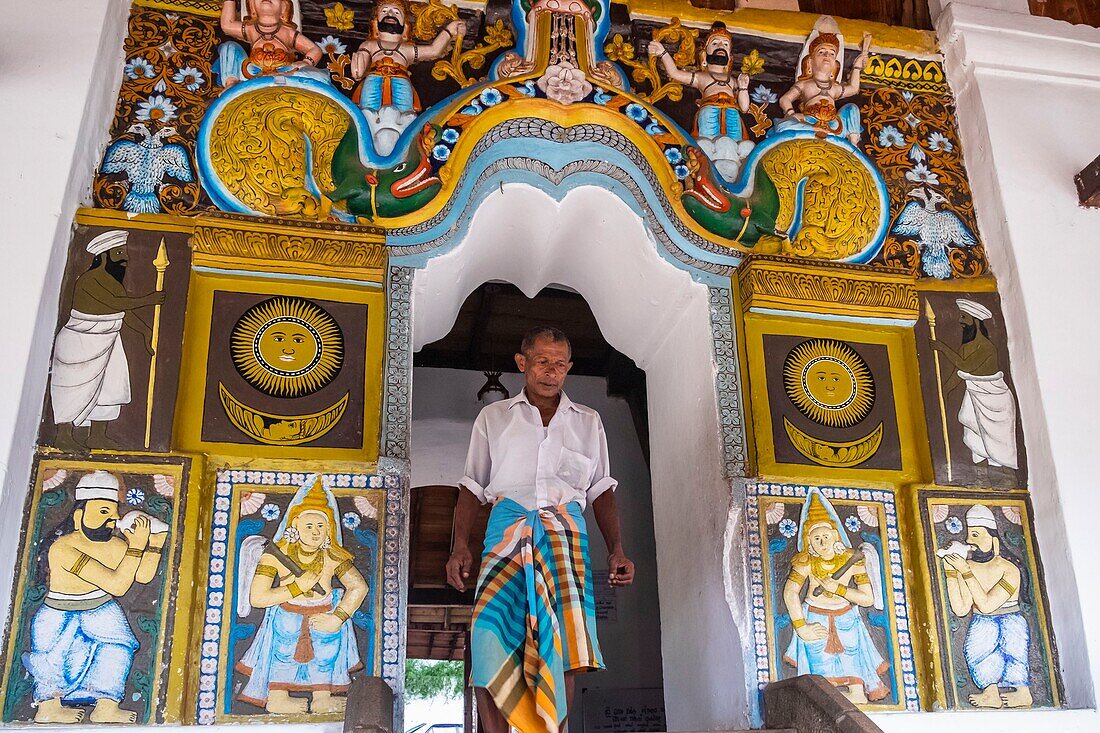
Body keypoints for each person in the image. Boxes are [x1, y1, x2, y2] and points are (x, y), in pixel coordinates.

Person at [446, 326, 635, 733]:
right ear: (522, 363)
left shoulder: (588, 421)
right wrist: (460, 545)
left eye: (560, 364)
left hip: (565, 535)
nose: (551, 371)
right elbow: (472, 486)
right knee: (487, 636)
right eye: (542, 362)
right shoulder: (494, 417)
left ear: (569, 367)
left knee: (562, 642)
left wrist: (617, 548)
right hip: (505, 530)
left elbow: (601, 489)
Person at [22, 471, 166, 723]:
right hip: (60, 614)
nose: (112, 518)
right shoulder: (64, 548)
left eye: (113, 512)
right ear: (79, 516)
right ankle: (48, 707)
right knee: (52, 660)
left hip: (102, 609)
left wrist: (154, 543)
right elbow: (117, 585)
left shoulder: (114, 545)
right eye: (103, 511)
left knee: (117, 650)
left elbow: (142, 575)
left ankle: (106, 705)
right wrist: (135, 546)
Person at [236, 476, 368, 714]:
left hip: (324, 613)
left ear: (330, 529)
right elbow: (257, 598)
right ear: (294, 525)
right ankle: (277, 697)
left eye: (321, 526)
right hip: (288, 616)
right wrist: (296, 588)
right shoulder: (275, 556)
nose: (315, 532)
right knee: (283, 655)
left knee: (326, 656)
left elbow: (359, 587)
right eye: (309, 525)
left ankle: (322, 698)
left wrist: (337, 617)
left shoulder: (333, 556)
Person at [49, 230, 164, 451]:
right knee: (74, 391)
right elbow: (114, 303)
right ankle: (63, 436)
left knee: (111, 389)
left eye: (125, 253)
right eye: (119, 253)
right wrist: (150, 299)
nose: (125, 258)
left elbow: (122, 313)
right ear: (103, 256)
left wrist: (145, 332)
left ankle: (97, 436)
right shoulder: (88, 280)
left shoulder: (113, 282)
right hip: (81, 342)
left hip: (109, 338)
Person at [782, 488, 888, 704]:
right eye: (816, 538)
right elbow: (790, 591)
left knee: (856, 690)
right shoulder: (806, 562)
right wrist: (801, 626)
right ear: (808, 541)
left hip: (847, 620)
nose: (822, 542)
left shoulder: (852, 559)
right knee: (821, 686)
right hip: (815, 620)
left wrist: (839, 589)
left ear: (836, 535)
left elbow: (867, 599)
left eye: (826, 536)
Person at [942, 505, 1031, 708]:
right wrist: (951, 574)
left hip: (1009, 619)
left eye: (975, 534)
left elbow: (987, 605)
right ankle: (990, 693)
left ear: (994, 540)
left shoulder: (1009, 570)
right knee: (977, 653)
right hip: (981, 622)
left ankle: (1023, 693)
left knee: (1013, 654)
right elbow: (961, 608)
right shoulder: (969, 567)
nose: (969, 541)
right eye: (968, 535)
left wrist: (964, 571)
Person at [350, 0, 465, 155]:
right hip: (374, 78)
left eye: (396, 12)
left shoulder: (407, 49)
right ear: (375, 23)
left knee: (404, 113)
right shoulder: (370, 44)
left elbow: (433, 50)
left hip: (400, 80)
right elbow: (362, 58)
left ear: (405, 26)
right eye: (384, 11)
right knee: (367, 111)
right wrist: (358, 68)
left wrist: (450, 30)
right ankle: (367, 141)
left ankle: (401, 144)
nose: (390, 15)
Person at [649, 22, 754, 181]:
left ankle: (732, 176)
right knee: (707, 144)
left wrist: (744, 87)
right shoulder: (701, 77)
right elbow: (675, 74)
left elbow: (745, 108)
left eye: (725, 44)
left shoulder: (732, 81)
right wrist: (662, 52)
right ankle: (709, 174)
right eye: (715, 43)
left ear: (730, 56)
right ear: (705, 54)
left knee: (735, 147)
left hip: (733, 113)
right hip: (709, 111)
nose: (721, 46)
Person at [929, 299, 1019, 471]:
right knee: (973, 433)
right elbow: (960, 373)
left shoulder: (987, 347)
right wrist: (944, 390)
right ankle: (981, 474)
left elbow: (967, 366)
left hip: (994, 399)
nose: (961, 321)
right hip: (974, 393)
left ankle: (1000, 474)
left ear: (975, 321)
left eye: (964, 317)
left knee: (997, 440)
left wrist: (942, 348)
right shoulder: (966, 346)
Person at [774, 19, 871, 146]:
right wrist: (792, 115)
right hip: (809, 121)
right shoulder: (804, 84)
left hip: (834, 125)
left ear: (835, 64)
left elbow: (853, 88)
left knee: (851, 108)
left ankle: (853, 145)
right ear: (810, 62)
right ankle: (816, 131)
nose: (827, 56)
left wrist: (857, 67)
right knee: (782, 126)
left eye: (832, 54)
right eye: (821, 52)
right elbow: (785, 99)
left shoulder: (835, 87)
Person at [217, 0, 328, 88]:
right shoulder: (251, 29)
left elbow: (315, 50)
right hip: (251, 72)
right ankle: (232, 84)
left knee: (320, 77)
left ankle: (286, 81)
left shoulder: (288, 32)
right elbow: (227, 25)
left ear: (284, 8)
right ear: (252, 6)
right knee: (229, 47)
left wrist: (305, 62)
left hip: (285, 72)